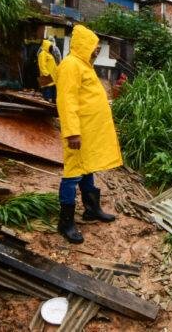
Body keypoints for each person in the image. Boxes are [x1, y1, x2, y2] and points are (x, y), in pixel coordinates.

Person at [55, 25, 122, 244]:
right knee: (73, 174)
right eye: (93, 46)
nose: (95, 51)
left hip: (89, 132)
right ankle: (65, 223)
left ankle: (92, 209)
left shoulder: (83, 65)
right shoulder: (70, 65)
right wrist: (72, 132)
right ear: (83, 45)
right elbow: (67, 101)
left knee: (87, 168)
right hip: (79, 133)